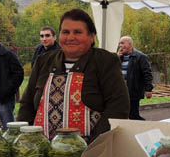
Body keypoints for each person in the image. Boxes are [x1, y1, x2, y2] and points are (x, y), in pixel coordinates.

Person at [18, 9, 129, 142]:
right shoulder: (43, 61)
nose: (70, 37)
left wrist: (94, 145)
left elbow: (118, 106)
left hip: (91, 150)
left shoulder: (105, 61)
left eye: (77, 32)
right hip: (44, 149)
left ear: (91, 36)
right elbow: (27, 104)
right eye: (65, 32)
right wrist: (26, 139)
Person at [117, 36, 153, 120]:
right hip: (120, 91)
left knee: (133, 114)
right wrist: (116, 58)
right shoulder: (119, 57)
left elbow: (147, 74)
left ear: (130, 44)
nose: (120, 46)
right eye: (119, 43)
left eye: (122, 43)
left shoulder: (140, 56)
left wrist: (148, 89)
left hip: (133, 91)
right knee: (121, 113)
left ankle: (141, 125)